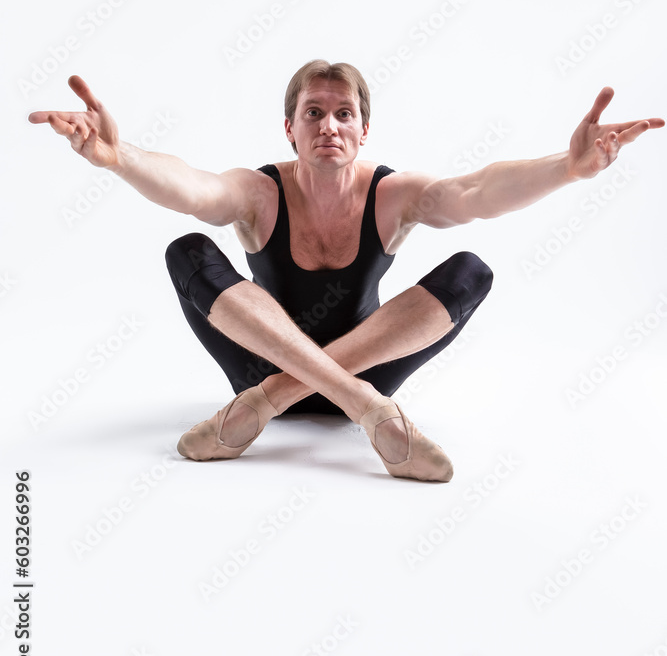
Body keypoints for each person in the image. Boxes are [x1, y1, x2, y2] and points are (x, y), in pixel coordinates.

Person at [28, 62, 664, 482]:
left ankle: (269, 406)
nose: (328, 126)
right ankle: (369, 412)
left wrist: (567, 167)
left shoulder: (392, 195)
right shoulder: (258, 192)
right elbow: (192, 188)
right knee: (187, 247)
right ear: (290, 128)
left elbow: (475, 191)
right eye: (312, 113)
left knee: (472, 269)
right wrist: (119, 158)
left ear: (364, 131)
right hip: (274, 367)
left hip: (316, 377)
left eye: (342, 114)